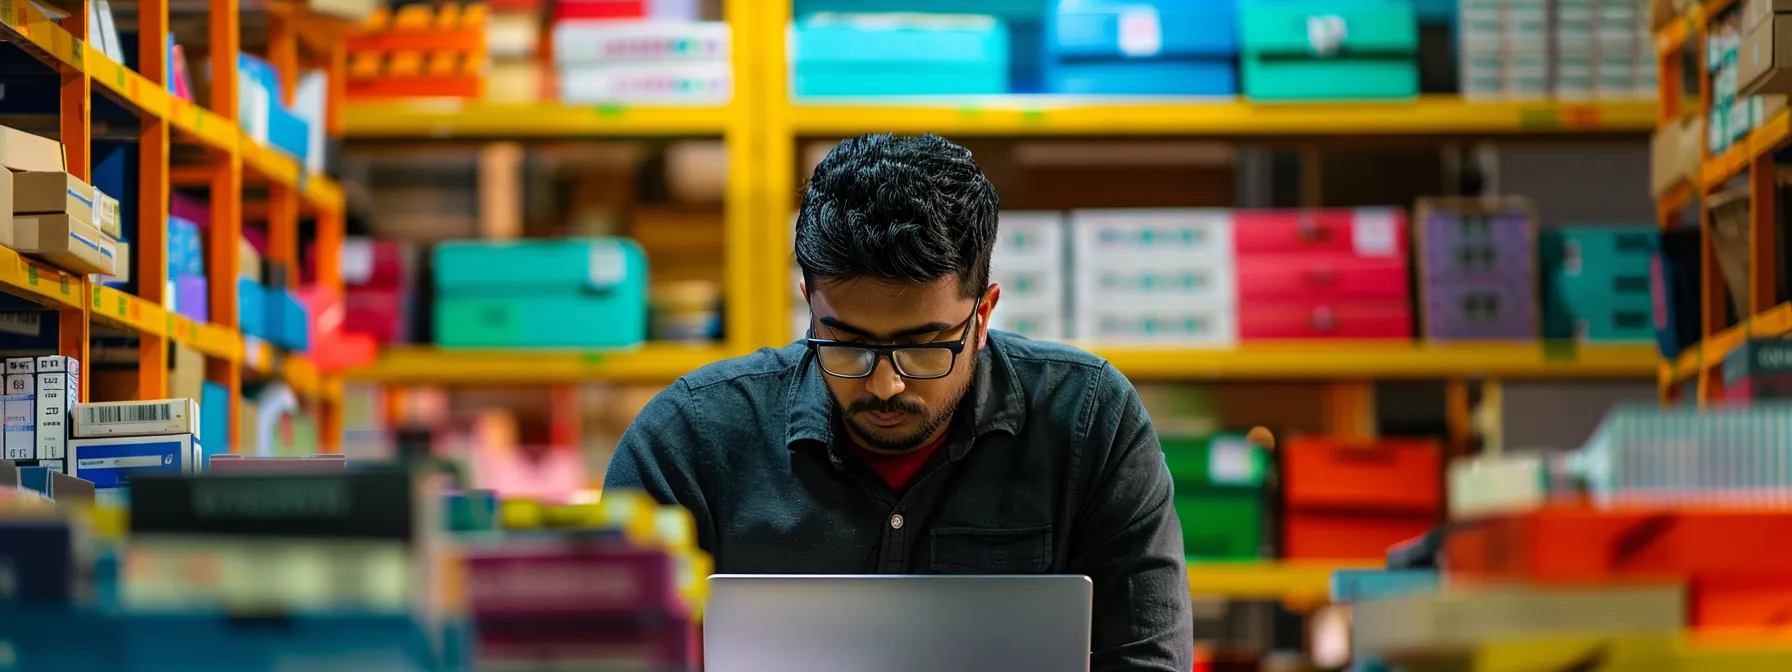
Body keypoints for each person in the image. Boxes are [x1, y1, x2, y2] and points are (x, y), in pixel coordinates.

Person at [606, 133, 1194, 671]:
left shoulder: (1091, 422)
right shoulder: (687, 441)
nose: (885, 385)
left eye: (921, 347)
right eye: (848, 343)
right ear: (810, 300)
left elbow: (1147, 661)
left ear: (982, 314)